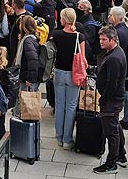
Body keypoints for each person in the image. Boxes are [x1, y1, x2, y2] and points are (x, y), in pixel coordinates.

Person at [93, 25, 128, 174]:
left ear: (113, 40)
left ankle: (111, 163)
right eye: (100, 39)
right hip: (114, 98)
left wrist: (103, 99)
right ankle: (121, 155)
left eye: (104, 39)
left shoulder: (114, 57)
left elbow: (112, 83)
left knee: (111, 131)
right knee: (115, 126)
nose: (101, 42)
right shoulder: (114, 52)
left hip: (111, 99)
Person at [52, 8, 83, 150]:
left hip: (59, 72)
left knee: (59, 105)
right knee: (71, 107)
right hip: (74, 74)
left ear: (64, 19)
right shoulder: (79, 37)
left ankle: (58, 137)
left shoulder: (56, 35)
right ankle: (67, 139)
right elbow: (83, 59)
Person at [108, 6, 128, 130]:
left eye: (111, 15)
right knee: (126, 93)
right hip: (126, 65)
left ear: (116, 18)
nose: (109, 17)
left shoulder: (119, 32)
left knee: (124, 93)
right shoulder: (126, 29)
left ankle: (125, 119)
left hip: (122, 67)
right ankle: (126, 118)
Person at [13, 15, 41, 117]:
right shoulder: (33, 38)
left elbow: (32, 59)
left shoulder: (28, 40)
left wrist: (30, 78)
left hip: (26, 78)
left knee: (22, 105)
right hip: (26, 76)